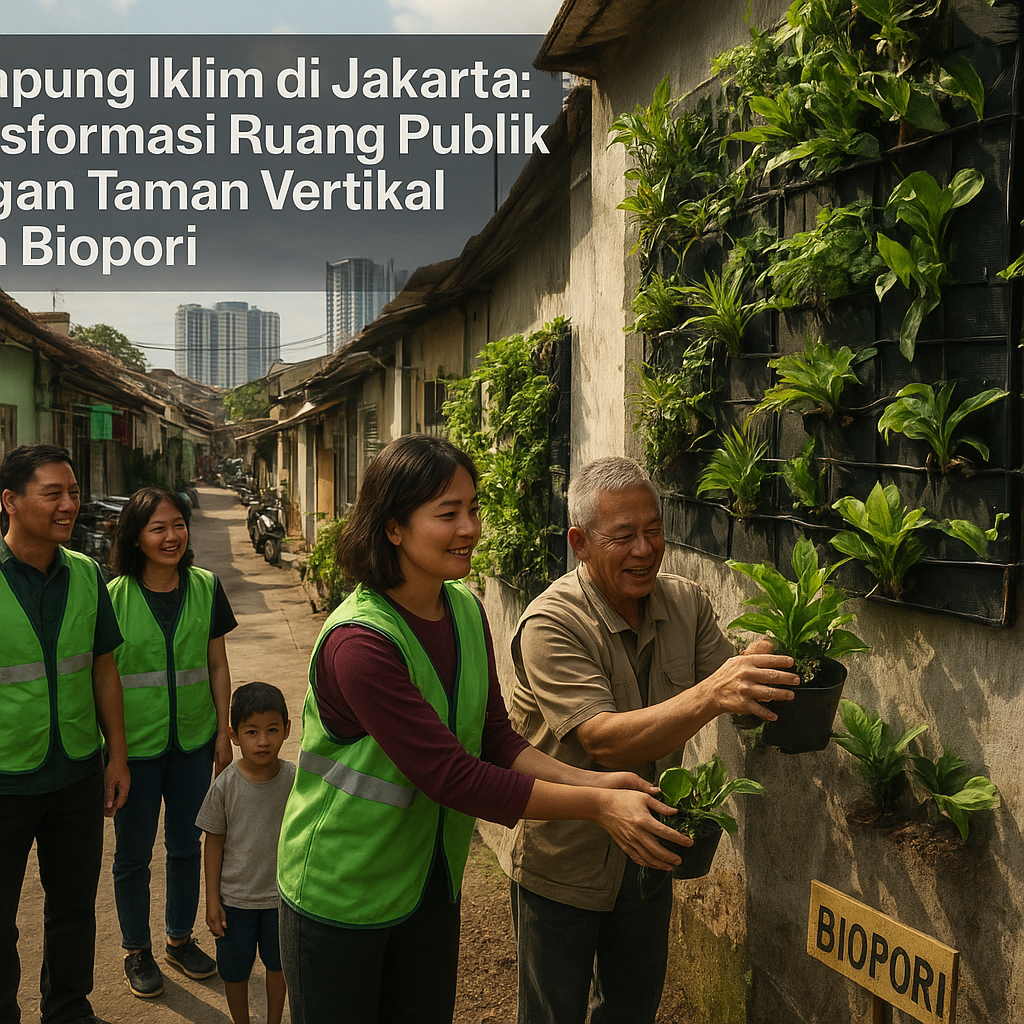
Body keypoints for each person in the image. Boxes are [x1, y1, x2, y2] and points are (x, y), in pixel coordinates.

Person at [276, 434, 684, 1024]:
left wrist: (593, 782)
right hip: (340, 892)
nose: (469, 528)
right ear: (393, 528)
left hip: (427, 883)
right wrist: (597, 805)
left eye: (473, 509)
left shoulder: (462, 607)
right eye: (448, 514)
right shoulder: (359, 644)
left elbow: (494, 737)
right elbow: (453, 776)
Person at [500, 456, 799, 1024]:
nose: (645, 549)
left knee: (632, 1008)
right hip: (564, 860)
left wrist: (762, 665)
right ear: (580, 542)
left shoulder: (686, 602)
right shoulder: (551, 623)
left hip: (650, 852)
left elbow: (733, 691)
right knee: (550, 1013)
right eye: (624, 536)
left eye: (654, 531)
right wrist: (716, 691)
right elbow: (604, 740)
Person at [0, 443, 130, 1024]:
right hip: (5, 777)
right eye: (53, 493)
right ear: (11, 501)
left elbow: (104, 668)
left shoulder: (87, 574)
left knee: (74, 904)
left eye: (73, 492)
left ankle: (68, 1007)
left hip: (77, 770)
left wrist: (117, 758)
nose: (70, 504)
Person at [106, 487, 236, 998]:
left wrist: (224, 733)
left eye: (178, 524)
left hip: (193, 743)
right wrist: (110, 752)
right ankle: (136, 948)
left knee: (186, 846)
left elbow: (218, 663)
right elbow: (104, 677)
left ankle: (178, 940)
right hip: (134, 748)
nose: (171, 536)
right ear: (135, 536)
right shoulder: (112, 595)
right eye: (158, 528)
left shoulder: (206, 586)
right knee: (133, 854)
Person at [197, 681, 294, 1024]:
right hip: (234, 901)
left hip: (280, 899)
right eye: (251, 732)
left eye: (271, 730)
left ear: (287, 728)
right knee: (234, 970)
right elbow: (214, 841)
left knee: (279, 966)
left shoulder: (295, 781)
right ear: (234, 735)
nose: (263, 741)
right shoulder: (225, 785)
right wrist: (212, 899)